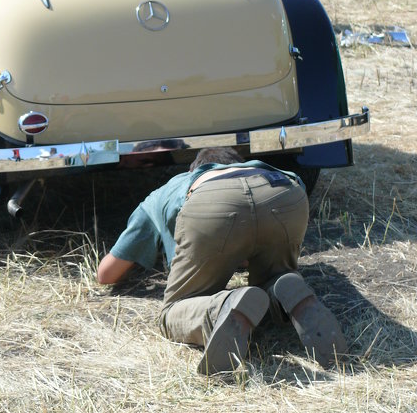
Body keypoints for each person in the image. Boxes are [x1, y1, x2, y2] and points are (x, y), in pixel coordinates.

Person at [97, 147, 347, 374]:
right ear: (238, 163)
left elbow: (106, 274)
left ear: (192, 170)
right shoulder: (258, 167)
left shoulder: (169, 190)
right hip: (284, 191)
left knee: (171, 313)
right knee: (272, 278)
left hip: (211, 203)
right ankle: (287, 290)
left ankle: (224, 306)